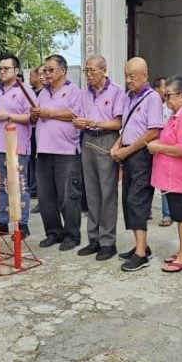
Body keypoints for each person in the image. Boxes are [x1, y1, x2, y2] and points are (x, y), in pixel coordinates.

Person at [113, 57, 164, 270]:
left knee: (137, 201)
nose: (128, 80)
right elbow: (126, 127)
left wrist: (127, 149)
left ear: (145, 75)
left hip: (143, 156)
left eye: (132, 76)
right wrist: (117, 145)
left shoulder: (152, 98)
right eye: (126, 75)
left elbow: (153, 131)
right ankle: (140, 246)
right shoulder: (128, 97)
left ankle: (141, 254)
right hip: (128, 154)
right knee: (127, 200)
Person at [73, 55, 126, 260]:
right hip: (87, 140)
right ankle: (93, 239)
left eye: (92, 70)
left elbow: (117, 123)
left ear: (104, 70)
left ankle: (108, 241)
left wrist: (93, 122)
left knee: (108, 193)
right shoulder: (84, 94)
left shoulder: (116, 92)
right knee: (92, 192)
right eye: (87, 70)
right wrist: (79, 122)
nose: (89, 74)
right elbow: (76, 116)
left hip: (106, 140)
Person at [30, 54, 83, 251]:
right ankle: (53, 232)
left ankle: (72, 235)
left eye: (51, 70)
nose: (47, 74)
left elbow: (76, 114)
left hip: (66, 152)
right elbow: (37, 116)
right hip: (43, 151)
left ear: (63, 71)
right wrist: (35, 115)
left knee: (68, 196)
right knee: (46, 197)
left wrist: (49, 113)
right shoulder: (42, 93)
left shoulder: (74, 91)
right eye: (45, 70)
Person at [148, 76, 182, 273]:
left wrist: (159, 147)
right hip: (172, 176)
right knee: (181, 217)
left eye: (169, 95)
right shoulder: (176, 114)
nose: (166, 99)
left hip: (181, 177)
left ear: (181, 95)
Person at [0, 55, 36, 239]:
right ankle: (2, 222)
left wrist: (8, 116)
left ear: (16, 71)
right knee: (0, 185)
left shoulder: (25, 90)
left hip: (17, 145)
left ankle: (22, 224)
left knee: (19, 184)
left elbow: (31, 117)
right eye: (0, 68)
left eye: (6, 68)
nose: (2, 71)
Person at [153, 76, 173, 227]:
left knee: (166, 182)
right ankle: (147, 210)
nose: (167, 91)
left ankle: (168, 213)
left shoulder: (171, 108)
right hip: (152, 146)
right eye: (164, 87)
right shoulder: (154, 105)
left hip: (166, 148)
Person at [27, 66, 43, 199]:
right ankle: (32, 187)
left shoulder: (45, 92)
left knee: (39, 162)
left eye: (31, 76)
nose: (29, 79)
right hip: (31, 131)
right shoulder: (29, 92)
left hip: (42, 133)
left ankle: (39, 190)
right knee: (31, 161)